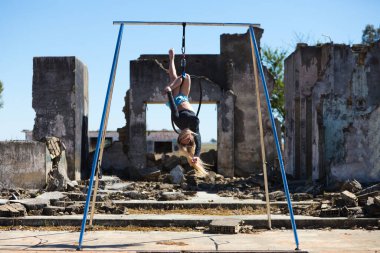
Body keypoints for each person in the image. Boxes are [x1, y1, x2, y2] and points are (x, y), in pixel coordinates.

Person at [163, 48, 208, 177]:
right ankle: (173, 65)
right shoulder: (194, 129)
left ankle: (171, 58)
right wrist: (196, 156)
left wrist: (169, 91)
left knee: (175, 78)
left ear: (181, 136)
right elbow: (198, 143)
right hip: (185, 97)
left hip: (176, 99)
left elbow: (173, 108)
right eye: (187, 141)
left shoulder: (178, 122)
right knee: (186, 76)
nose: (186, 139)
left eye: (183, 139)